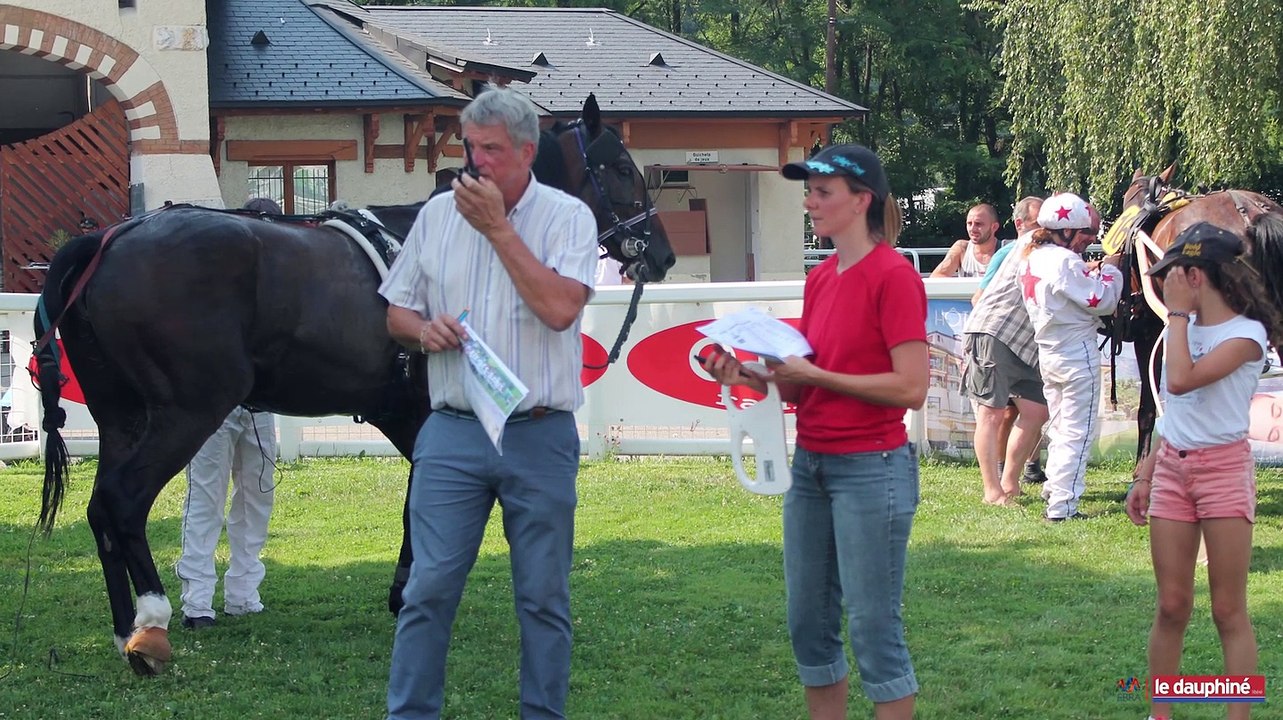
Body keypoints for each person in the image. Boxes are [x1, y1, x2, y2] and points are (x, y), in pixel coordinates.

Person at [379, 87, 598, 720]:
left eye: (492, 150)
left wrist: (499, 228)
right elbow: (396, 308)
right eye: (470, 148)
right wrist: (421, 331)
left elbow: (560, 309)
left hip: (538, 431)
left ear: (527, 152)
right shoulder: (437, 216)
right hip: (452, 430)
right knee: (428, 589)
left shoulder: (566, 218)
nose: (476, 164)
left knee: (542, 598)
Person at [703, 143, 927, 720]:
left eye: (821, 192)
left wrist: (814, 373)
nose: (809, 203)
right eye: (808, 192)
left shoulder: (894, 276)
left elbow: (910, 389)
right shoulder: (822, 278)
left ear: (861, 201)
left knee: (874, 629)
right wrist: (746, 373)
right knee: (810, 627)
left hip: (871, 470)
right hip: (813, 467)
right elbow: (804, 387)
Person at [1125, 222, 1283, 720]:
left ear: (1195, 275)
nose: (1163, 285)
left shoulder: (1248, 334)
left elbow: (1181, 379)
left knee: (1227, 610)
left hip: (1223, 472)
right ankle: (1161, 713)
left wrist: (1174, 315)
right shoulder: (1183, 329)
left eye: (1170, 275)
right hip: (1173, 468)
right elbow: (1176, 410)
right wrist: (1146, 473)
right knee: (1172, 605)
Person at [176, 196, 283, 630]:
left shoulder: (280, 285)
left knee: (258, 495)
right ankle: (197, 600)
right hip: (215, 404)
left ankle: (242, 592)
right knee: (206, 498)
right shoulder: (214, 282)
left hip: (259, 404)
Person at [1017, 192, 1122, 521]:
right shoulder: (1064, 261)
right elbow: (1102, 301)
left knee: (1061, 426)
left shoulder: (1033, 256)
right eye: (1083, 234)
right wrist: (1112, 272)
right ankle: (1062, 506)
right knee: (1079, 430)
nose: (1086, 242)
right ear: (1065, 231)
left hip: (1049, 352)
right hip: (1077, 353)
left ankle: (1054, 490)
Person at [961, 198, 1050, 505]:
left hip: (1022, 343)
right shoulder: (1031, 245)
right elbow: (980, 296)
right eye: (1040, 221)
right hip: (994, 331)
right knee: (991, 414)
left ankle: (1010, 482)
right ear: (1022, 224)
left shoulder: (1042, 245)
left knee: (1037, 411)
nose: (1045, 227)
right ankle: (991, 490)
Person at [931, 203, 1001, 278]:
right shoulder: (962, 248)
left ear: (994, 227)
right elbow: (937, 276)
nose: (972, 229)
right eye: (969, 223)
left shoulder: (1006, 250)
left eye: (978, 224)